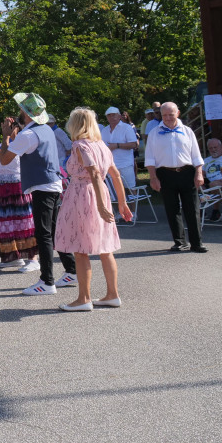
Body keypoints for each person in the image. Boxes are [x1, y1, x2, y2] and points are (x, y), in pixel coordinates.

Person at [0, 92, 76, 296]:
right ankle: (71, 270)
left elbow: (4, 160)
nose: (19, 113)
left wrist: (4, 136)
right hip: (52, 184)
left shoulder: (28, 135)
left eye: (22, 110)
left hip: (42, 187)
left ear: (27, 114)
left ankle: (47, 281)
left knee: (44, 234)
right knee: (53, 231)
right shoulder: (44, 129)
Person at [54, 108, 133, 311]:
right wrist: (122, 203)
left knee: (81, 249)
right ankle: (112, 294)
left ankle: (84, 298)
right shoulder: (101, 145)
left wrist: (98, 204)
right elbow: (114, 175)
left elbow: (95, 174)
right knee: (105, 248)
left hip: (83, 195)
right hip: (100, 194)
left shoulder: (79, 145)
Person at [145, 102, 206, 252]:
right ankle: (179, 242)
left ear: (178, 113)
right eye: (164, 115)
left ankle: (197, 243)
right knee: (172, 210)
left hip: (187, 173)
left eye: (170, 115)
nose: (167, 118)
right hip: (165, 174)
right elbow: (150, 158)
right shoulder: (154, 133)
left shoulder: (187, 131)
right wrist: (153, 178)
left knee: (192, 208)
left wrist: (199, 173)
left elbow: (196, 156)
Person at [0, 118, 38, 272]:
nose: (8, 130)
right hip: (0, 186)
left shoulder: (21, 144)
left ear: (19, 129)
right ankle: (13, 257)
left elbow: (2, 158)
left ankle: (33, 258)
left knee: (23, 222)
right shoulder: (0, 145)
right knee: (4, 224)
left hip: (17, 185)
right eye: (6, 127)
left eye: (12, 128)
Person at [102, 107, 139, 201]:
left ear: (119, 116)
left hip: (125, 164)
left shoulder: (127, 128)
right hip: (110, 165)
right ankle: (120, 213)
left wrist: (117, 145)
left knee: (130, 189)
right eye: (109, 116)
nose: (111, 117)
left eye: (113, 115)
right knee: (114, 191)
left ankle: (134, 213)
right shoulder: (104, 130)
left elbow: (134, 144)